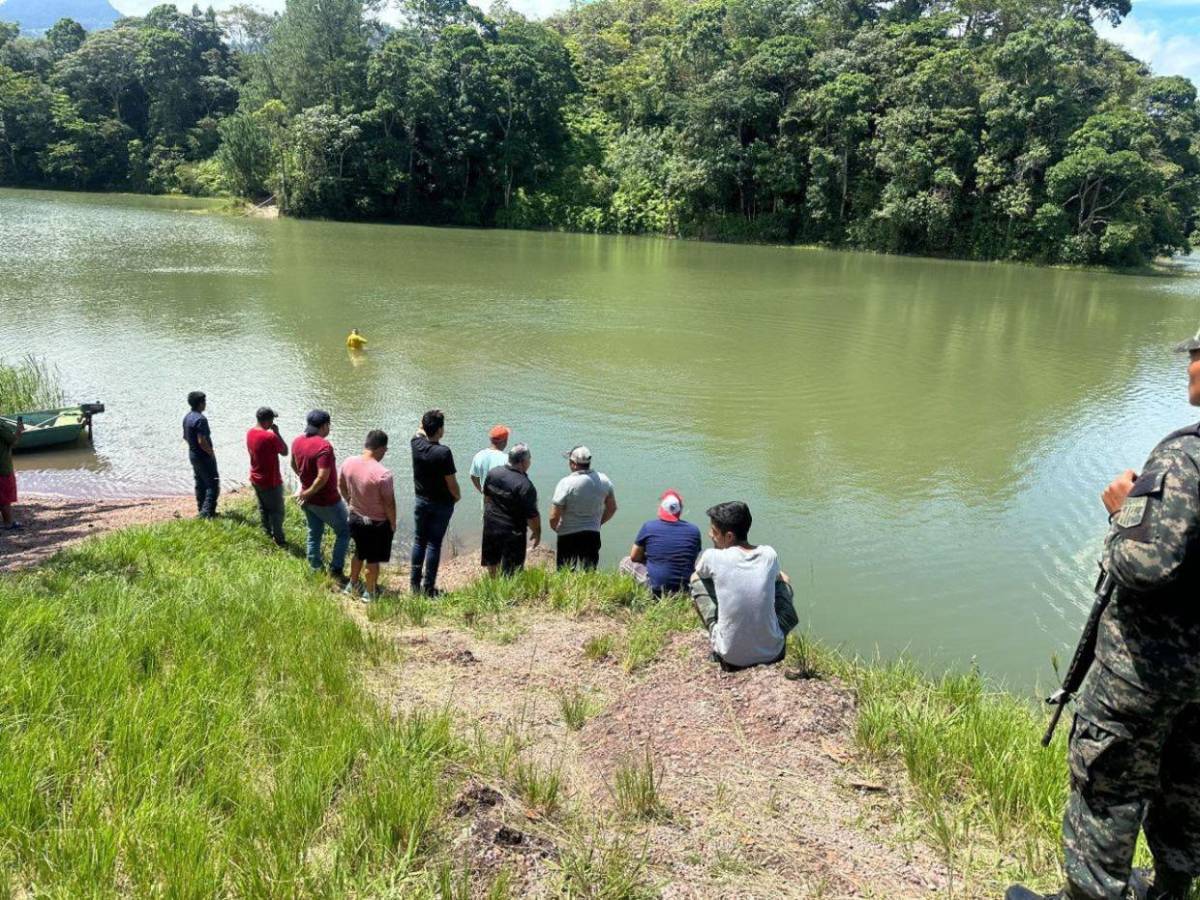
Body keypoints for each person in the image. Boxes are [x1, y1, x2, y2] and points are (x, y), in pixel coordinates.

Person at [1007, 335, 1200, 900]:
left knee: (1108, 784)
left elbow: (1144, 564)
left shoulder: (1184, 457)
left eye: (1196, 355)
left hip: (1145, 672)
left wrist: (1122, 512)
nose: (1189, 365)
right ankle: (1171, 890)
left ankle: (1092, 894)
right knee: (1187, 785)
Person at [689, 501, 798, 671]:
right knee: (783, 578)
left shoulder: (712, 556)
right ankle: (769, 634)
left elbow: (699, 571)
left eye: (714, 531)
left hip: (730, 655)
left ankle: (718, 638)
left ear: (729, 537)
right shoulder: (769, 554)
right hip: (773, 652)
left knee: (695, 579)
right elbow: (779, 578)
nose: (710, 534)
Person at [291, 410, 350, 583]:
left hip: (307, 501)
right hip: (326, 501)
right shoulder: (324, 447)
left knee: (314, 532)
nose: (329, 428)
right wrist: (308, 492)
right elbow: (323, 477)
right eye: (328, 425)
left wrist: (304, 486)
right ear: (324, 426)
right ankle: (336, 570)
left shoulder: (297, 441)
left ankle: (315, 567)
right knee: (345, 531)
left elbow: (293, 464)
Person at [339, 430, 397, 603]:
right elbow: (389, 503)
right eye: (385, 450)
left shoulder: (348, 462)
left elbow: (341, 485)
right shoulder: (383, 474)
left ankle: (352, 584)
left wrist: (350, 501)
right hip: (376, 523)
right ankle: (369, 593)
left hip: (355, 518)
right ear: (381, 448)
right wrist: (393, 522)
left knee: (359, 552)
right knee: (373, 559)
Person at [410, 409, 460, 596]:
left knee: (419, 541)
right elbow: (451, 483)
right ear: (440, 430)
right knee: (434, 544)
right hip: (441, 504)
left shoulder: (415, 443)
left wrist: (428, 418)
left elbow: (419, 430)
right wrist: (457, 496)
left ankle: (414, 585)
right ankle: (428, 588)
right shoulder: (443, 452)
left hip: (421, 500)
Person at [619, 490, 702, 595]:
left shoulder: (649, 527)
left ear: (661, 508)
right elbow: (693, 558)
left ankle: (627, 595)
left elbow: (634, 557)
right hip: (685, 589)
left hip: (657, 590)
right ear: (680, 510)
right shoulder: (694, 530)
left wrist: (651, 558)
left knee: (625, 562)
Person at [549, 446, 616, 570]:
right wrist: (598, 523)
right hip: (592, 534)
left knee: (565, 572)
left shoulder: (566, 483)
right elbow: (612, 508)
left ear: (573, 464)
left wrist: (557, 529)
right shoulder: (604, 480)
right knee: (589, 572)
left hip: (568, 535)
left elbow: (554, 516)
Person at [482, 442, 541, 576]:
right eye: (529, 459)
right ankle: (507, 586)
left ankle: (493, 584)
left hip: (491, 524)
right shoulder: (525, 485)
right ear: (522, 462)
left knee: (492, 560)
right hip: (513, 531)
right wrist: (537, 532)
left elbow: (487, 498)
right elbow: (532, 516)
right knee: (512, 569)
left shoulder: (493, 473)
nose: (530, 462)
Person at [245, 407, 288, 546]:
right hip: (270, 481)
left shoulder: (250, 432)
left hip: (255, 478)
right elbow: (285, 451)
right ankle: (279, 540)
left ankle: (266, 532)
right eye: (272, 420)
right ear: (268, 421)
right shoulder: (270, 437)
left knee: (263, 507)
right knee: (277, 511)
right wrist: (277, 433)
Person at [183, 390, 219, 518]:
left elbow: (186, 437)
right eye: (204, 402)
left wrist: (194, 448)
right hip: (204, 456)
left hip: (193, 454)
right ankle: (206, 514)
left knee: (200, 482)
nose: (205, 404)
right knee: (212, 484)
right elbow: (201, 441)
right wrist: (211, 453)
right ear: (200, 403)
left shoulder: (187, 417)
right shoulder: (201, 419)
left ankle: (201, 509)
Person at [0, 414, 25, 530]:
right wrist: (19, 430)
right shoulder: (1, 426)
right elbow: (13, 441)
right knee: (5, 496)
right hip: (2, 468)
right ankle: (8, 523)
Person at [470, 425, 510, 498]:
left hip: (486, 501)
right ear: (505, 441)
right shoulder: (507, 459)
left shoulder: (479, 455)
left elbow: (473, 476)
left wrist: (482, 491)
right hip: (502, 502)